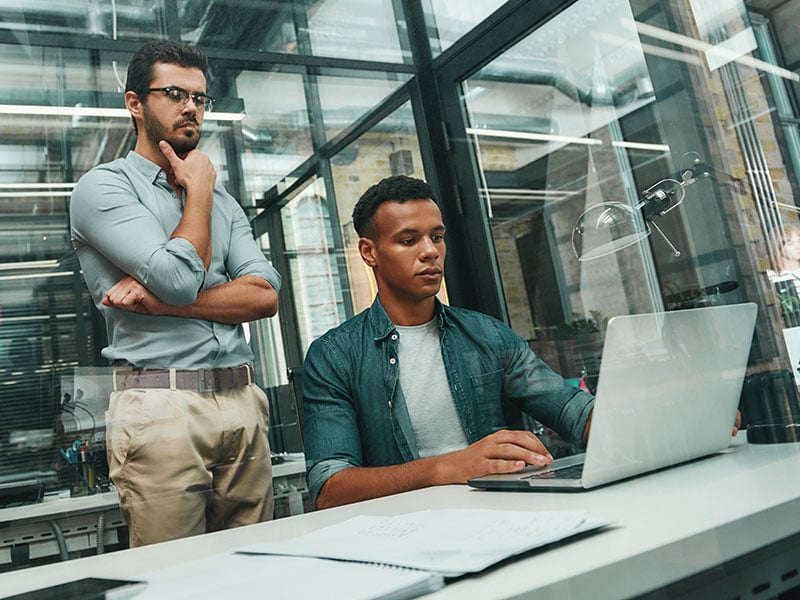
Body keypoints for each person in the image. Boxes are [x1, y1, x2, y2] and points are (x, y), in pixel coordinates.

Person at [69, 40, 281, 546]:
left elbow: (266, 296)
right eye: (174, 93)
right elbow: (180, 276)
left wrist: (161, 302)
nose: (192, 108)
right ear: (135, 104)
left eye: (201, 98)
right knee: (175, 578)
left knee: (256, 572)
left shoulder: (225, 202)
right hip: (160, 404)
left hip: (243, 399)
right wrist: (201, 189)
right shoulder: (103, 189)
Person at [301, 175, 595, 509]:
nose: (430, 252)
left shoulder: (488, 335)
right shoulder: (334, 356)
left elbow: (575, 412)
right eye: (409, 240)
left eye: (437, 237)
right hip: (405, 529)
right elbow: (329, 488)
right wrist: (445, 467)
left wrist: (626, 422)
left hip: (500, 514)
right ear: (369, 252)